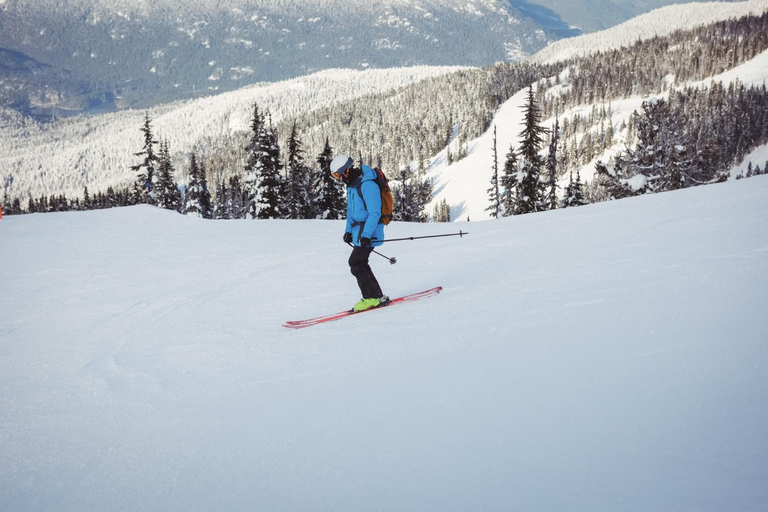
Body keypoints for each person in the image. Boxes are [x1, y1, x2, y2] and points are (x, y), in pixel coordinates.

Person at [330, 155, 389, 312]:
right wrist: (348, 231)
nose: (338, 178)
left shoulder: (367, 185)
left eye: (338, 174)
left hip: (370, 231)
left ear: (346, 170)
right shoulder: (352, 186)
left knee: (355, 263)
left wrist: (366, 235)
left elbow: (375, 213)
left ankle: (371, 298)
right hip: (359, 232)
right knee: (361, 263)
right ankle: (377, 296)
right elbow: (351, 212)